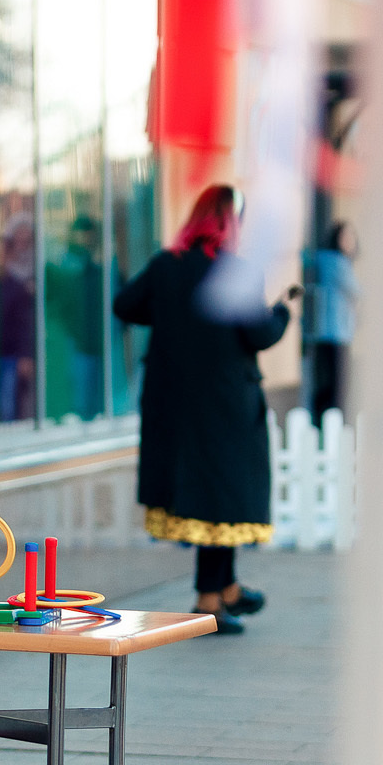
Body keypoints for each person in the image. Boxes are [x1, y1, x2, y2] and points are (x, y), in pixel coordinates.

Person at [114, 184, 294, 633]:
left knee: (208, 499)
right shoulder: (233, 272)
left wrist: (174, 315)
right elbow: (259, 335)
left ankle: (225, 589)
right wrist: (283, 311)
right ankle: (209, 601)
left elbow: (125, 305)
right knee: (223, 498)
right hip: (225, 404)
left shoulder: (165, 265)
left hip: (174, 405)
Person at [0, 215, 36, 423]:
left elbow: (23, 326)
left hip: (10, 357)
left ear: (9, 256)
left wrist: (24, 356)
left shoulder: (17, 288)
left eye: (2, 254)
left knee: (9, 408)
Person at [47, 214, 105, 420]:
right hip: (72, 341)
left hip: (95, 343)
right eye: (81, 235)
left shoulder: (98, 271)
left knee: (94, 402)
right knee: (76, 401)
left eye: (88, 236)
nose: (85, 240)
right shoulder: (62, 268)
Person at [306, 221, 358, 418]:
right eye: (346, 237)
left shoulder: (328, 260)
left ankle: (323, 425)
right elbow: (356, 292)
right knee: (335, 387)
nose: (350, 242)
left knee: (327, 385)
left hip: (329, 332)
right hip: (335, 333)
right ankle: (327, 426)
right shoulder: (337, 262)